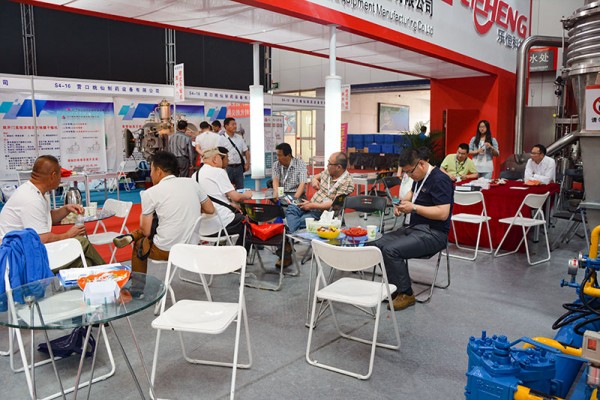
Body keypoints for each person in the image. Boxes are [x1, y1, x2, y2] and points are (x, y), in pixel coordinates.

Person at [371, 147, 453, 311]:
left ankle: (406, 294)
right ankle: (395, 288)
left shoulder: (440, 180)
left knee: (391, 250)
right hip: (415, 228)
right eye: (406, 172)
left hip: (434, 233)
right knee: (377, 244)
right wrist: (402, 204)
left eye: (410, 171)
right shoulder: (420, 177)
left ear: (421, 164)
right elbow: (412, 193)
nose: (408, 176)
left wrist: (414, 208)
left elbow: (443, 213)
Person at [113, 151, 214, 274]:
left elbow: (146, 231)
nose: (150, 174)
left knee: (140, 243)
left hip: (166, 250)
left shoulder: (150, 193)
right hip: (192, 246)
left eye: (151, 170)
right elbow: (210, 209)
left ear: (159, 171)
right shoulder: (192, 183)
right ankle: (132, 235)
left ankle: (138, 284)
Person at [0, 155, 105, 267]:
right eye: (60, 175)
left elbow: (46, 218)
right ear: (53, 176)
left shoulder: (32, 191)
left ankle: (106, 273)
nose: (61, 179)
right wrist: (69, 235)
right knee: (81, 242)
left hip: (25, 252)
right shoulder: (32, 199)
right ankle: (109, 271)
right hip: (20, 259)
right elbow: (42, 239)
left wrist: (65, 209)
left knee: (85, 263)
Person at [192, 147, 252, 245]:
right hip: (220, 224)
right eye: (222, 158)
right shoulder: (218, 172)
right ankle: (242, 252)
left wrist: (229, 204)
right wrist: (247, 194)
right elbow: (236, 197)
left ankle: (224, 248)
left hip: (203, 227)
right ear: (215, 159)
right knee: (247, 221)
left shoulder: (194, 175)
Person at [286, 152, 354, 234]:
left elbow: (334, 204)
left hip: (324, 213)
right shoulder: (329, 172)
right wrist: (314, 180)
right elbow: (316, 176)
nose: (327, 166)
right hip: (311, 205)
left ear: (338, 167)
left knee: (303, 220)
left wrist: (312, 205)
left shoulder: (347, 182)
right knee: (291, 208)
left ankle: (292, 234)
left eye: (329, 163)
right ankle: (294, 233)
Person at [221, 117, 250, 189]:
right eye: (233, 124)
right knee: (227, 188)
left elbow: (246, 151)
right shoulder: (221, 139)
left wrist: (247, 163)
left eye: (235, 124)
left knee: (240, 188)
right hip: (227, 168)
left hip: (239, 167)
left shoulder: (239, 137)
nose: (235, 126)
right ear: (226, 126)